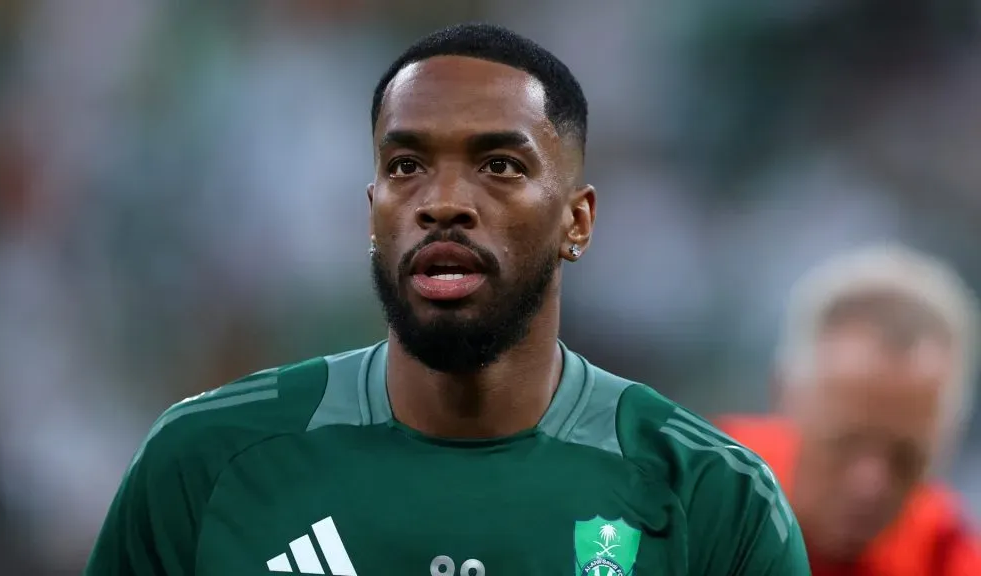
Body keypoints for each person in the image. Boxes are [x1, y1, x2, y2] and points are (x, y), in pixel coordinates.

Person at [85, 23, 809, 575]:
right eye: (407, 166)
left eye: (499, 165)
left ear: (577, 222)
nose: (444, 203)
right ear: (372, 211)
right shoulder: (202, 465)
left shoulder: (710, 497)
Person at [718, 244, 981, 576]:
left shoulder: (945, 556)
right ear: (783, 395)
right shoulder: (685, 497)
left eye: (907, 458)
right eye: (845, 443)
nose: (870, 484)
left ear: (949, 436)